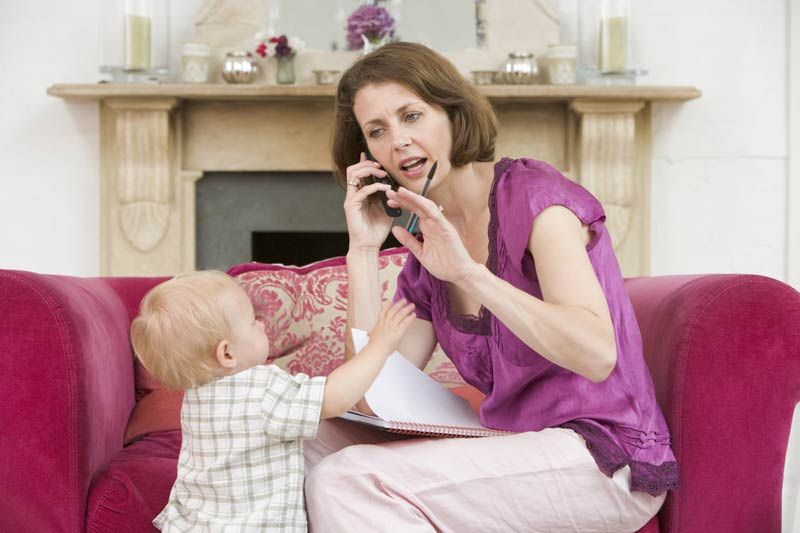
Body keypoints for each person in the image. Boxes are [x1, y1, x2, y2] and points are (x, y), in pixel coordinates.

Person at [303, 42, 678, 532]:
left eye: (412, 116)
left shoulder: (536, 198)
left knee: (349, 479)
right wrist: (363, 249)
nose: (398, 141)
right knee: (302, 443)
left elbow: (595, 353)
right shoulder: (424, 243)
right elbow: (370, 390)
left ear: (453, 114)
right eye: (378, 130)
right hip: (509, 447)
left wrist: (469, 273)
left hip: (601, 456)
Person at [130, 270, 416, 532]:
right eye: (252, 321)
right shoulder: (262, 389)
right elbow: (334, 398)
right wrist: (379, 347)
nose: (262, 324)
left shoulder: (196, 398)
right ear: (227, 354)